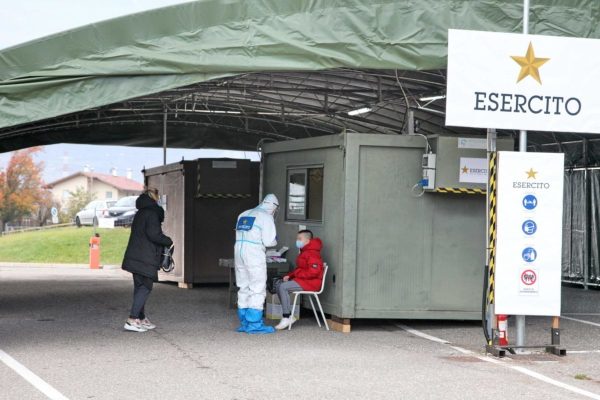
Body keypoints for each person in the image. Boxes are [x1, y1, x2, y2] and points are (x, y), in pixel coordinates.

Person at [122, 188, 173, 332]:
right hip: (145, 257)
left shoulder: (141, 212)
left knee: (140, 287)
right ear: (155, 198)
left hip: (136, 256)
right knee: (145, 287)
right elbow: (154, 234)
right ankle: (132, 319)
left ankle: (141, 318)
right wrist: (168, 241)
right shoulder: (152, 213)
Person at [234, 194, 279, 334]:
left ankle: (244, 322)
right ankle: (254, 324)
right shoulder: (266, 217)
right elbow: (268, 241)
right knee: (257, 287)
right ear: (274, 207)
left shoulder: (244, 213)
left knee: (243, 286)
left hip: (239, 251)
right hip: (253, 253)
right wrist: (275, 240)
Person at [275, 230, 324, 330]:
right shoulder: (305, 251)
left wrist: (296, 274)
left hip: (312, 283)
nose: (297, 241)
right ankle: (289, 316)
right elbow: (301, 269)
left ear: (307, 240)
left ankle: (286, 316)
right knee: (279, 285)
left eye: (299, 239)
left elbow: (313, 272)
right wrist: (290, 275)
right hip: (305, 280)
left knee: (283, 287)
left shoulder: (312, 253)